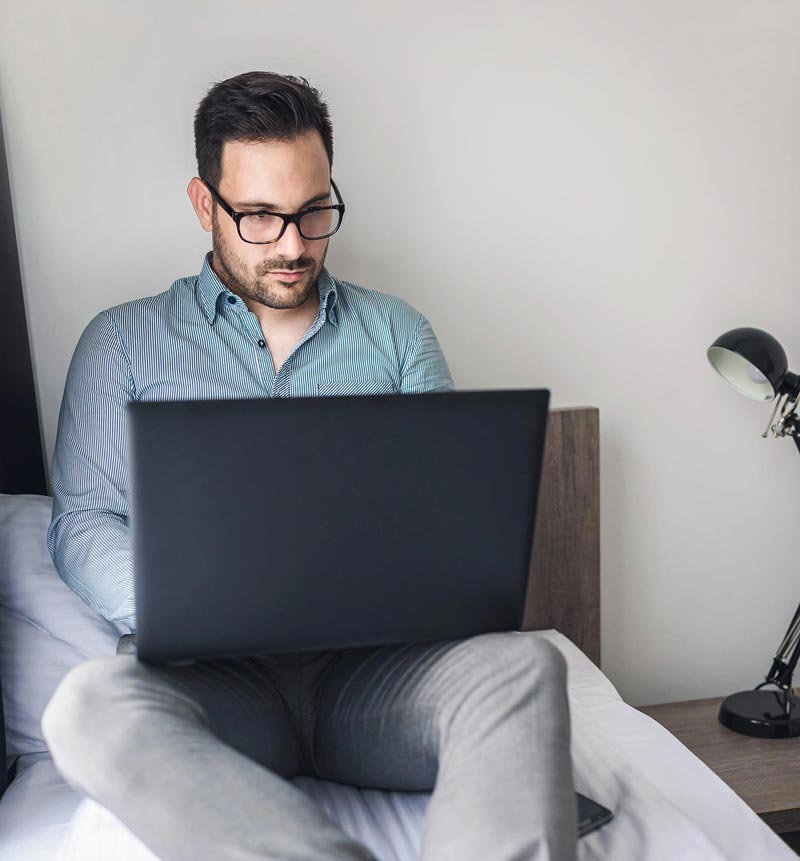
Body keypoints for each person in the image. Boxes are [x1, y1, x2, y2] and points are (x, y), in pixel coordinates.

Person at [41, 71, 577, 861]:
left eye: (313, 211)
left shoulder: (398, 334)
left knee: (526, 662)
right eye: (259, 216)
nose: (294, 244)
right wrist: (196, 605)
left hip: (375, 686)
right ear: (204, 205)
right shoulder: (122, 343)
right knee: (86, 705)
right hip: (216, 689)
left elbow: (449, 517)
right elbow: (81, 521)